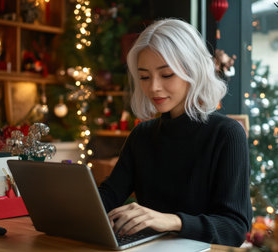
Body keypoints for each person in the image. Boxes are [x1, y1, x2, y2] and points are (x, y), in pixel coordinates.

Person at [98, 18, 252, 247]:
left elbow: (234, 229)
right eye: (144, 77)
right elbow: (107, 198)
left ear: (193, 71)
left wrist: (172, 221)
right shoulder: (142, 135)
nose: (153, 87)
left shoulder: (227, 134)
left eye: (166, 74)